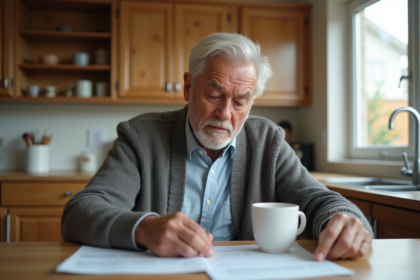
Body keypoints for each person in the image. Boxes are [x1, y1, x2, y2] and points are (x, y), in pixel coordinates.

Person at [62, 33, 373, 262]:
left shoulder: (268, 141)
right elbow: (80, 211)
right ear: (188, 87)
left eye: (240, 102)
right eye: (214, 95)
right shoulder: (141, 137)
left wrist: (342, 221)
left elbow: (319, 199)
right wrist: (144, 228)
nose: (226, 114)